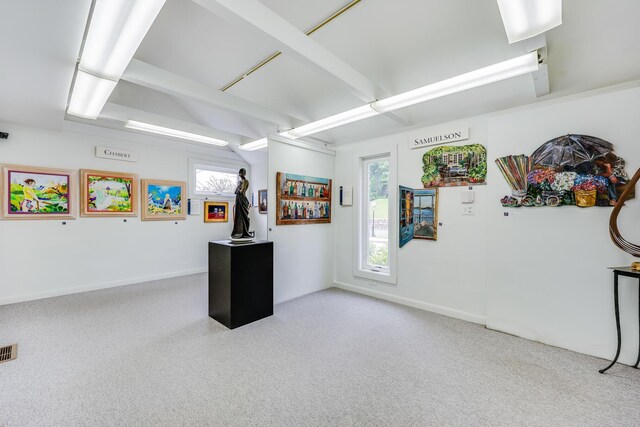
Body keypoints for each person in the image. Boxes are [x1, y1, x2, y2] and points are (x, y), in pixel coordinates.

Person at [231, 168, 252, 239]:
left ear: (244, 174)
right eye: (240, 173)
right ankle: (238, 231)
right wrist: (239, 186)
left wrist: (239, 187)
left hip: (242, 199)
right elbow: (235, 191)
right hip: (238, 199)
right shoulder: (239, 182)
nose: (240, 174)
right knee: (238, 215)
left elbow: (242, 191)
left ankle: (245, 232)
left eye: (242, 173)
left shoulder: (246, 181)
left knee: (244, 216)